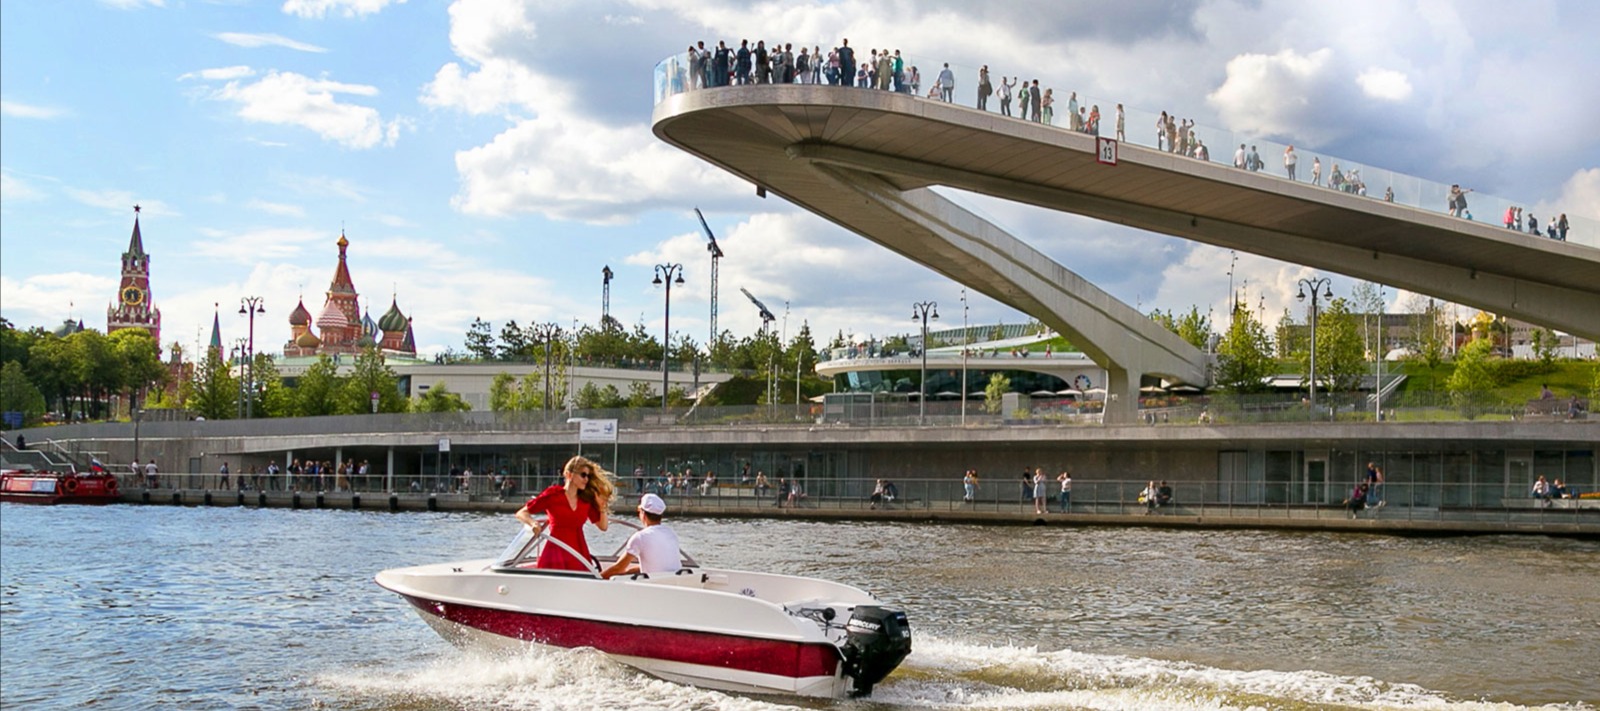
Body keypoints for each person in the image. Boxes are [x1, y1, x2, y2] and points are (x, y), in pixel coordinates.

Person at [514, 456, 614, 571]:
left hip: (578, 553)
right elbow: (521, 512)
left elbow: (603, 526)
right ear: (569, 474)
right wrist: (533, 523)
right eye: (583, 475)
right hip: (555, 552)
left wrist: (602, 507)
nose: (586, 479)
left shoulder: (585, 500)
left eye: (588, 476)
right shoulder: (553, 495)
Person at [601, 493, 681, 579]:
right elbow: (657, 566)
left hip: (653, 587)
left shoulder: (640, 537)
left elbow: (618, 568)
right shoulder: (670, 533)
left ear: (643, 513)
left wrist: (598, 577)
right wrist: (627, 572)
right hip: (673, 582)